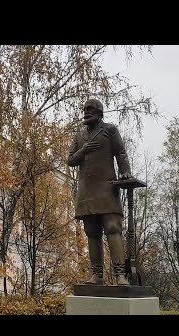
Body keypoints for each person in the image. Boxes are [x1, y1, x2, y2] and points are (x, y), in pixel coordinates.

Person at [67, 99, 131, 286]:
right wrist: (84, 151)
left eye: (90, 109)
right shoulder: (79, 136)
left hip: (106, 187)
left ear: (99, 112)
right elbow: (70, 160)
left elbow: (121, 152)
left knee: (113, 228)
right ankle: (97, 275)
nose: (86, 112)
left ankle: (120, 275)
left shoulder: (110, 130)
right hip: (86, 191)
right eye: (85, 109)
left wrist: (125, 171)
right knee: (92, 232)